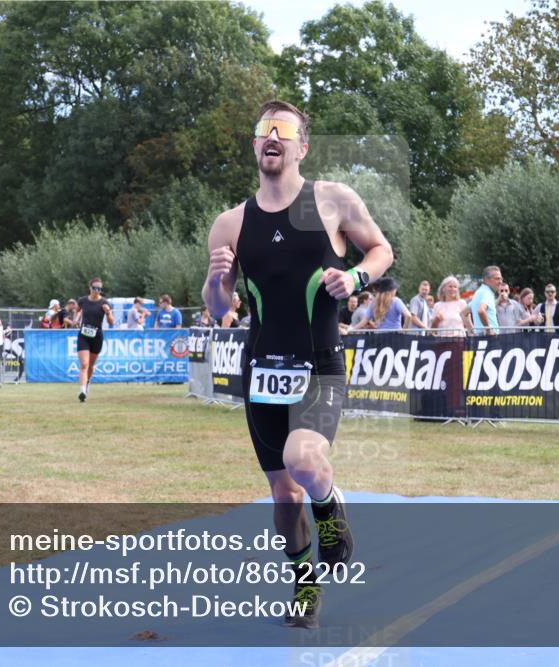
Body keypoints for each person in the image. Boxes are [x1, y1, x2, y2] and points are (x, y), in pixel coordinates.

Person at [202, 99, 393, 629]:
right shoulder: (231, 222)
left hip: (320, 365)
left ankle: (330, 507)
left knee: (305, 460)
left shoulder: (331, 201)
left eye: (283, 130)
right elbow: (219, 309)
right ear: (255, 145)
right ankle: (305, 584)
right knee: (284, 498)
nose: (272, 137)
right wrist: (219, 280)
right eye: (264, 129)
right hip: (261, 370)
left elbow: (380, 250)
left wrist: (356, 278)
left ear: (301, 147)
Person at [76, 277, 115, 402]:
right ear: (90, 288)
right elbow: (78, 311)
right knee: (84, 364)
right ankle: (82, 391)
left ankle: (86, 386)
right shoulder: (82, 301)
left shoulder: (105, 303)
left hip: (97, 336)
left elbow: (111, 322)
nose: (97, 290)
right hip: (83, 335)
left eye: (99, 289)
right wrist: (76, 319)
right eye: (95, 288)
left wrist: (108, 313)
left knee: (91, 366)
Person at [355, 277, 424, 330]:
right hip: (395, 335)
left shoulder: (373, 303)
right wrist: (404, 330)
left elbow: (363, 322)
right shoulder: (396, 301)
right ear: (391, 290)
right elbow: (408, 315)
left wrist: (351, 329)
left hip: (380, 336)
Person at [469, 266, 502, 335]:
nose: (500, 282)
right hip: (489, 337)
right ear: (486, 280)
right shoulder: (487, 293)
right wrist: (488, 330)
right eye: (497, 279)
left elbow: (463, 313)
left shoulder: (479, 292)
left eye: (501, 279)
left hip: (481, 336)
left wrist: (472, 331)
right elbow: (481, 310)